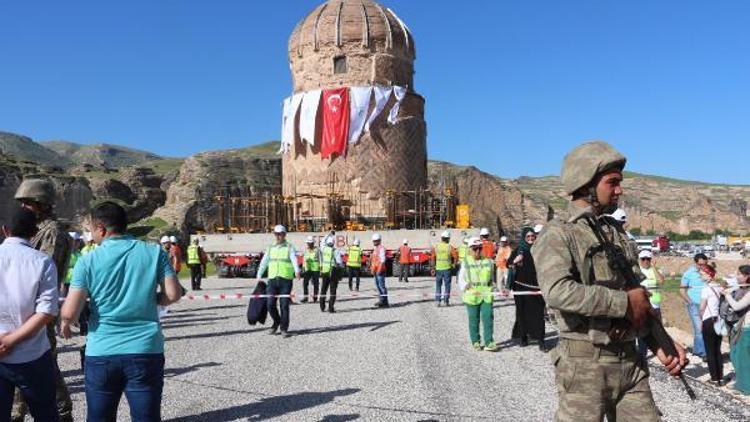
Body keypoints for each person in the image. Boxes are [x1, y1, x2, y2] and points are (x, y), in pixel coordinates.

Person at [533, 141, 687, 421]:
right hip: (584, 367)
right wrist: (621, 303)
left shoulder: (614, 232)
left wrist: (661, 344)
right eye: (612, 182)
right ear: (586, 183)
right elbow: (557, 292)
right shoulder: (558, 234)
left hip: (630, 363)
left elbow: (637, 297)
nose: (619, 190)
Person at [60, 201, 183, 421]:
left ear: (101, 229)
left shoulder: (88, 261)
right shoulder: (155, 252)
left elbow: (70, 311)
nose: (91, 235)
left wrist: (66, 322)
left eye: (91, 229)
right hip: (145, 348)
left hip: (102, 351)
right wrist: (152, 299)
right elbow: (173, 294)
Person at [12, 178, 73, 422]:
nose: (24, 208)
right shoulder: (38, 232)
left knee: (44, 369)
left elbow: (39, 273)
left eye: (27, 203)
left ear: (41, 203)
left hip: (38, 314)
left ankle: (61, 414)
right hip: (27, 311)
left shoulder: (53, 233)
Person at [0, 208, 60, 422]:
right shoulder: (43, 262)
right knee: (45, 414)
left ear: (5, 230)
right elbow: (47, 311)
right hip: (32, 353)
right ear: (34, 233)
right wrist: (11, 340)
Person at [255, 225, 301, 337]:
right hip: (272, 279)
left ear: (284, 235)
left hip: (285, 279)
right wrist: (259, 274)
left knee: (284, 305)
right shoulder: (270, 247)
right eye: (276, 234)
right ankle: (277, 321)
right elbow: (264, 261)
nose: (278, 236)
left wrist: (297, 271)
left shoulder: (290, 247)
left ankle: (284, 328)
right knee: (270, 304)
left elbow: (294, 260)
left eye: (280, 234)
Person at [507, 227, 547, 352]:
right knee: (522, 312)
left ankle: (541, 339)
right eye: (528, 237)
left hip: (536, 287)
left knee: (538, 313)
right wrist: (515, 260)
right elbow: (508, 264)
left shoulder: (540, 250)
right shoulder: (519, 250)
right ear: (524, 238)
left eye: (532, 236)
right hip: (520, 287)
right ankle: (523, 337)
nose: (530, 239)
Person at [459, 237, 498, 352]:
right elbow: (461, 278)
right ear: (470, 249)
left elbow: (491, 278)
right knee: (474, 320)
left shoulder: (488, 262)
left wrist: (494, 287)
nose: (477, 251)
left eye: (479, 248)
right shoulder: (466, 262)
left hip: (486, 295)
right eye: (475, 249)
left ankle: (489, 342)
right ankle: (475, 341)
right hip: (472, 296)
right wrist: (465, 285)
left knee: (488, 318)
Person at [724, 265, 750, 394]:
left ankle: (745, 388)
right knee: (736, 355)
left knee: (741, 358)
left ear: (747, 277)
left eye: (739, 274)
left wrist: (727, 295)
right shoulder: (744, 288)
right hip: (743, 327)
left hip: (746, 329)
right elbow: (732, 282)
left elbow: (737, 306)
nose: (736, 276)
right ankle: (742, 383)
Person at [699, 263, 725, 386]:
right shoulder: (719, 287)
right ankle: (721, 377)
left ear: (709, 275)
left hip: (708, 321)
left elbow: (702, 307)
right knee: (717, 350)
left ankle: (714, 378)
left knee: (710, 350)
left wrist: (700, 320)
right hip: (718, 320)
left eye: (703, 273)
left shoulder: (706, 289)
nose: (701, 275)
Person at [680, 253, 710, 359]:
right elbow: (682, 290)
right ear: (695, 263)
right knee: (699, 328)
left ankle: (697, 350)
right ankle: (704, 353)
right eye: (700, 264)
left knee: (704, 328)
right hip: (695, 304)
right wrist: (690, 302)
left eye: (705, 264)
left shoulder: (708, 272)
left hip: (707, 304)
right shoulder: (688, 273)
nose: (703, 266)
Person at [637, 250, 665, 358]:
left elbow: (662, 281)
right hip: (642, 306)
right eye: (643, 259)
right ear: (640, 260)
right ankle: (642, 353)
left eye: (648, 259)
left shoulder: (655, 270)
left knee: (658, 329)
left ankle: (660, 351)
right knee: (642, 330)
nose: (645, 261)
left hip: (655, 304)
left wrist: (654, 267)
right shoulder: (636, 271)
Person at [319, 237, 344, 313]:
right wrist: (342, 267)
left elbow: (322, 242)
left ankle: (322, 307)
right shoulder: (335, 250)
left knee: (323, 289)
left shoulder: (323, 249)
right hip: (333, 273)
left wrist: (328, 234)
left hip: (325, 271)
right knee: (333, 291)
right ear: (333, 243)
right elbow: (339, 262)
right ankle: (331, 308)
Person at [432, 231, 456, 307]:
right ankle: (446, 301)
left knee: (438, 285)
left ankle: (437, 301)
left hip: (438, 268)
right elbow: (456, 256)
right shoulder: (450, 247)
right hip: (447, 269)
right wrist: (454, 264)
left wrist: (433, 267)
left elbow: (433, 257)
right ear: (448, 238)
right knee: (447, 285)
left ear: (441, 238)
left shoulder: (436, 246)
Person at [371, 233, 389, 308]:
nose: (374, 242)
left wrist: (379, 270)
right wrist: (372, 269)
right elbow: (374, 260)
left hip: (380, 270)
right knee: (378, 286)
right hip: (376, 270)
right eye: (374, 241)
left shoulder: (381, 248)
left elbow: (382, 260)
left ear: (379, 241)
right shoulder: (375, 249)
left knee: (381, 286)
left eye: (376, 241)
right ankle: (381, 300)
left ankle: (385, 302)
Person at [63, 232, 83, 298]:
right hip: (66, 282)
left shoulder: (79, 253)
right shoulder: (65, 252)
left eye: (79, 240)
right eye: (76, 240)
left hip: (77, 281)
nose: (78, 242)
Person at [301, 236, 321, 303]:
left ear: (313, 243)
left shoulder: (317, 250)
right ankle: (305, 297)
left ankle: (315, 297)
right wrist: (303, 267)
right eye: (308, 243)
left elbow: (320, 259)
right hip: (307, 268)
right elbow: (304, 259)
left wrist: (321, 268)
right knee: (305, 283)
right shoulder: (306, 249)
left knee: (315, 284)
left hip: (315, 269)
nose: (309, 244)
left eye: (310, 243)